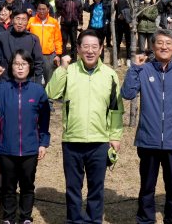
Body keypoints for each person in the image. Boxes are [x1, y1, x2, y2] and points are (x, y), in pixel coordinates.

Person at [46, 30, 124, 224]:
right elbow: (51, 93)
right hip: (72, 140)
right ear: (78, 49)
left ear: (100, 49)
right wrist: (62, 68)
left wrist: (115, 136)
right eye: (85, 47)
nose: (90, 51)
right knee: (73, 187)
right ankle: (74, 220)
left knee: (96, 187)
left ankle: (93, 220)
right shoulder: (69, 71)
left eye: (94, 47)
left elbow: (116, 109)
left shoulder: (110, 75)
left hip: (99, 141)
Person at [121, 29, 172, 224]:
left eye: (168, 44)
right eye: (160, 43)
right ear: (153, 46)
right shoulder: (144, 69)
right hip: (148, 140)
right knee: (147, 186)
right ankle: (145, 219)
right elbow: (128, 94)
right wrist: (134, 68)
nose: (164, 47)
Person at [0, 51, 51, 224]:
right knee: (8, 186)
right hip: (6, 147)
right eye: (16, 63)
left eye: (24, 63)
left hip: (30, 148)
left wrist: (43, 143)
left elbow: (44, 120)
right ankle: (8, 218)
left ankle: (26, 217)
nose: (20, 67)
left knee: (27, 185)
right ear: (11, 66)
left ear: (30, 66)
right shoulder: (2, 88)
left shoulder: (37, 91)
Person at [0, 8, 44, 83]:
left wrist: (37, 83)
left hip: (26, 82)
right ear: (12, 20)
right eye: (17, 19)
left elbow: (38, 63)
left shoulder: (33, 39)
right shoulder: (4, 36)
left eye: (23, 19)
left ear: (27, 22)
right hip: (6, 81)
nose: (20, 22)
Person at [28, 0, 63, 83]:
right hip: (34, 55)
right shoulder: (31, 20)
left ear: (48, 9)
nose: (41, 11)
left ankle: (48, 95)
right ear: (37, 10)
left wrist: (58, 54)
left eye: (44, 9)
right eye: (39, 9)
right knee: (34, 78)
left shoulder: (53, 22)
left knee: (49, 78)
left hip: (49, 55)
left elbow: (58, 39)